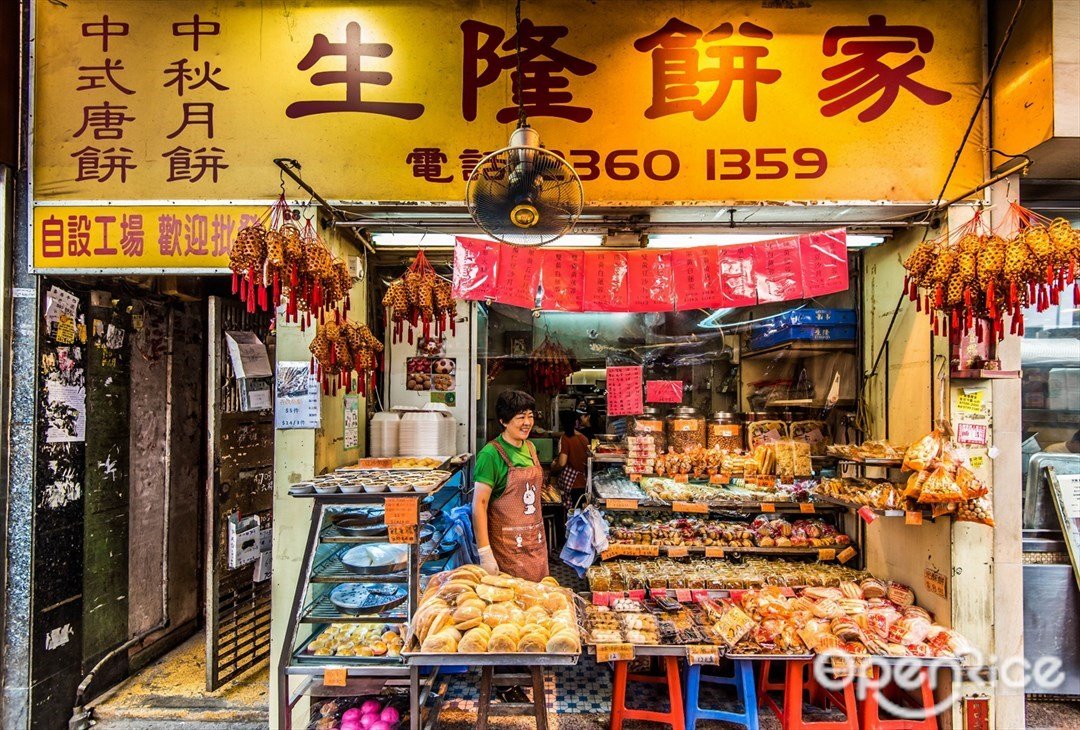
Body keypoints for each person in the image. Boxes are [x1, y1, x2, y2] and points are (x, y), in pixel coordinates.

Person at [473, 390, 549, 582]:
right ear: (503, 421)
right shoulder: (490, 455)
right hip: (506, 550)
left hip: (535, 544)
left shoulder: (530, 448)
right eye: (520, 417)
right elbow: (479, 506)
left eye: (530, 416)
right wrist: (485, 553)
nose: (527, 422)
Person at [553, 410, 590, 512]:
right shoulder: (584, 438)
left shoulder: (565, 438)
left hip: (570, 484)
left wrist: (554, 467)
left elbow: (562, 462)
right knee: (580, 514)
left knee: (570, 514)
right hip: (583, 482)